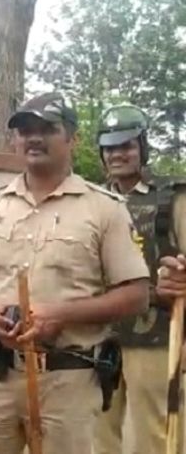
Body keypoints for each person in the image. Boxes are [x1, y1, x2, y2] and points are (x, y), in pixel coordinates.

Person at [0, 92, 151, 454]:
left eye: (47, 129)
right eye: (24, 130)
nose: (33, 138)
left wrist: (60, 314)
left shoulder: (104, 209)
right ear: (14, 139)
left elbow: (136, 294)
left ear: (73, 138)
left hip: (69, 380)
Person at [92, 104, 186, 453]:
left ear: (143, 147)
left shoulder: (171, 197)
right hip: (100, 333)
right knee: (98, 429)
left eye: (127, 145)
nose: (118, 154)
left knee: (157, 434)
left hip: (156, 334)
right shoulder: (92, 200)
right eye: (110, 147)